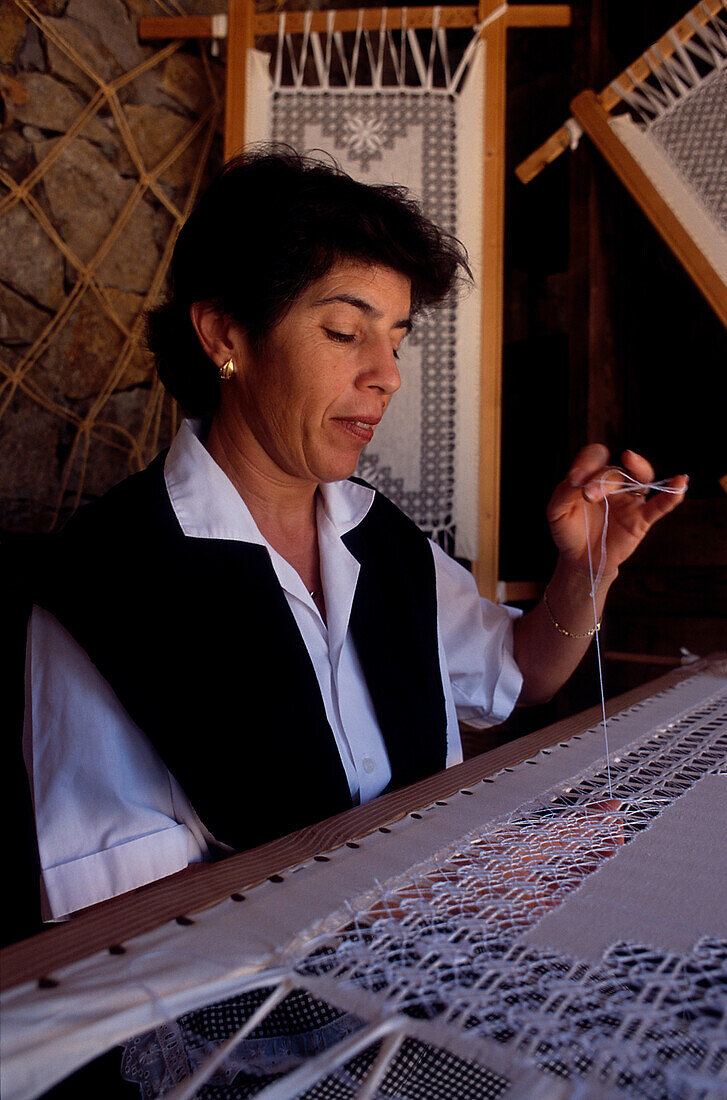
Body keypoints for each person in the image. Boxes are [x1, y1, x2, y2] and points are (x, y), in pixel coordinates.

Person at [21, 148, 687, 925]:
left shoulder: (379, 536)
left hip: (428, 961)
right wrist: (439, 893)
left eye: (396, 340)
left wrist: (588, 568)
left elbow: (515, 673)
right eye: (344, 331)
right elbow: (120, 925)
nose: (387, 374)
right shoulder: (107, 583)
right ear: (225, 334)